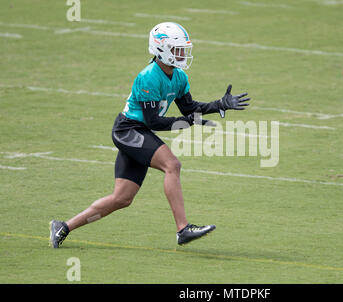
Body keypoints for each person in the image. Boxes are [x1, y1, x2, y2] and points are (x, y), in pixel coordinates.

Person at [49, 22, 250, 248]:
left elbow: (188, 109)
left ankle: (63, 226)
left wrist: (219, 104)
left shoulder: (179, 76)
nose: (182, 54)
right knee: (172, 165)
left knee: (122, 198)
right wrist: (187, 123)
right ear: (161, 49)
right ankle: (183, 229)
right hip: (128, 130)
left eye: (183, 49)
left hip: (139, 131)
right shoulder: (148, 77)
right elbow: (154, 120)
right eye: (177, 49)